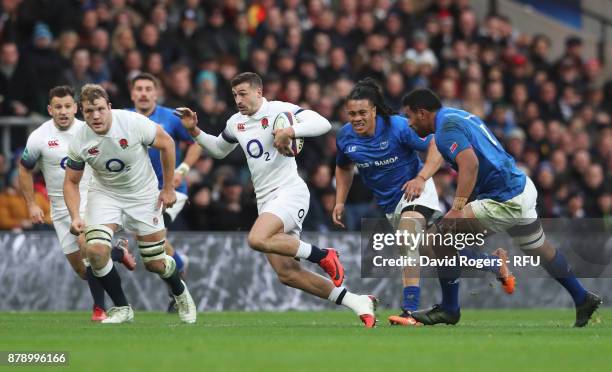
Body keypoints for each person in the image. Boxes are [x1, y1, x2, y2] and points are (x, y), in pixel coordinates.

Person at [176, 72, 377, 327]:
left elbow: (323, 123)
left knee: (257, 238)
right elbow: (218, 149)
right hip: (266, 201)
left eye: (243, 93)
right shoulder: (235, 122)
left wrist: (291, 130)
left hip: (290, 192)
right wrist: (194, 130)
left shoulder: (279, 110)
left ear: (259, 92)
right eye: (235, 95)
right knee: (288, 274)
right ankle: (357, 302)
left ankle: (323, 255)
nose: (238, 99)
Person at [402, 88, 602, 327]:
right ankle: (583, 298)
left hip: (504, 198)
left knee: (437, 240)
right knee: (540, 249)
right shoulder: (456, 115)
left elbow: (470, 164)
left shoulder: (445, 130)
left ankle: (449, 309)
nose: (410, 123)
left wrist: (457, 208)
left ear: (422, 113)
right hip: (520, 187)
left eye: (410, 116)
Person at [334, 79, 513, 326]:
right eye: (352, 113)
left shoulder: (397, 127)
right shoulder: (345, 137)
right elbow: (343, 167)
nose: (357, 118)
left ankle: (409, 311)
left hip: (416, 191)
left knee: (407, 238)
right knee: (432, 250)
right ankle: (492, 263)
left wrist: (421, 177)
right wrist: (340, 201)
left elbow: (435, 146)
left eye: (362, 112)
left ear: (374, 110)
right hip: (390, 205)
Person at [63, 84, 196, 324]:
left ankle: (180, 293)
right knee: (94, 250)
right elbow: (71, 182)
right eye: (89, 111)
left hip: (142, 195)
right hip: (105, 195)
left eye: (100, 109)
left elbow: (167, 143)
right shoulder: (79, 141)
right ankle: (122, 307)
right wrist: (75, 215)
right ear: (81, 112)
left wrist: (167, 188)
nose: (95, 116)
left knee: (155, 263)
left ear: (109, 107)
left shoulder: (133, 122)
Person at [18, 85, 136, 321]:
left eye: (68, 106)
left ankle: (101, 308)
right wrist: (31, 204)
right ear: (50, 109)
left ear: (76, 108)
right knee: (84, 270)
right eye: (58, 107)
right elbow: (24, 168)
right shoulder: (39, 137)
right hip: (59, 209)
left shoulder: (89, 131)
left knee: (87, 248)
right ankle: (117, 253)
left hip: (90, 200)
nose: (63, 111)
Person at [129, 72, 202, 312]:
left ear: (156, 93)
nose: (143, 93)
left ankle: (177, 290)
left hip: (171, 190)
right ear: (132, 94)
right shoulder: (123, 119)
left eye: (148, 88)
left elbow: (196, 143)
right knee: (152, 246)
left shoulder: (170, 117)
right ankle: (179, 263)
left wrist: (183, 168)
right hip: (139, 193)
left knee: (154, 242)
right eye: (138, 88)